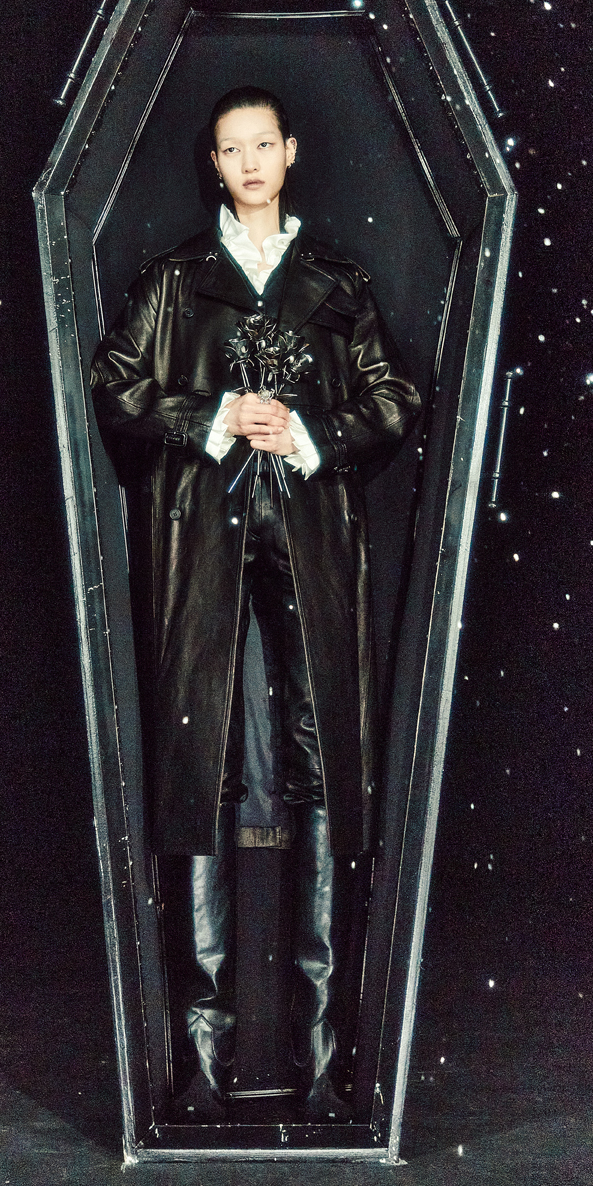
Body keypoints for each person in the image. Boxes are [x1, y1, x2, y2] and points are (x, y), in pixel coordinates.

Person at [90, 87, 421, 1122]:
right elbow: (114, 384)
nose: (248, 161)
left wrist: (312, 432)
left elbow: (395, 398)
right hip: (200, 546)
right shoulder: (173, 280)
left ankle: (321, 1062)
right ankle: (199, 1062)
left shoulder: (337, 282)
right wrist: (218, 415)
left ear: (290, 151)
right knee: (202, 759)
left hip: (313, 543)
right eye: (231, 148)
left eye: (262, 144)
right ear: (216, 164)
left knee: (327, 765)